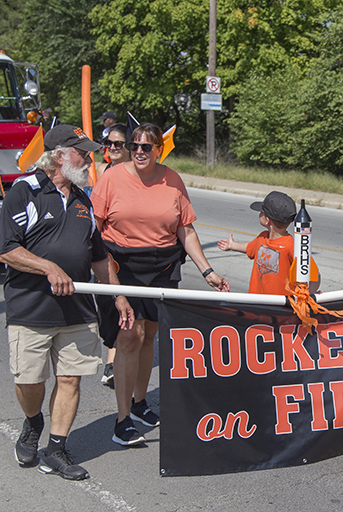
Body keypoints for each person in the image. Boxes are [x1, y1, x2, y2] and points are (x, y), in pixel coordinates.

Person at [0, 124, 134, 480]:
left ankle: (56, 449)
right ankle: (32, 421)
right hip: (30, 306)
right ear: (58, 156)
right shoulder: (24, 191)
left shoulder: (83, 199)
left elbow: (99, 258)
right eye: (81, 153)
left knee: (70, 379)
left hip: (77, 309)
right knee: (29, 382)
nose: (89, 159)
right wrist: (48, 267)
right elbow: (7, 250)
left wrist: (119, 296)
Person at [90, 122, 229, 446]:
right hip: (122, 266)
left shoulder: (172, 180)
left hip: (163, 266)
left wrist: (207, 271)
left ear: (158, 150)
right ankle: (122, 420)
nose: (139, 151)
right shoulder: (112, 178)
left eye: (146, 147)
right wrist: (95, 269)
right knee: (129, 337)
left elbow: (186, 230)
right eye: (134, 145)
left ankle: (140, 403)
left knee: (149, 334)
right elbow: (94, 230)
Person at [218, 191, 319, 295]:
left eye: (262, 211)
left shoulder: (291, 245)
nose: (259, 213)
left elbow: (315, 275)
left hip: (280, 306)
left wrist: (308, 295)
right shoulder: (262, 237)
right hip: (256, 301)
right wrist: (232, 245)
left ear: (267, 220)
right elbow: (250, 247)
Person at [94, 122, 131, 389]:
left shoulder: (140, 175)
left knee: (124, 306)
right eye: (109, 144)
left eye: (119, 144)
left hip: (130, 253)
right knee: (108, 310)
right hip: (106, 252)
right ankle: (112, 354)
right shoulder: (103, 172)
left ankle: (113, 364)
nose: (113, 148)